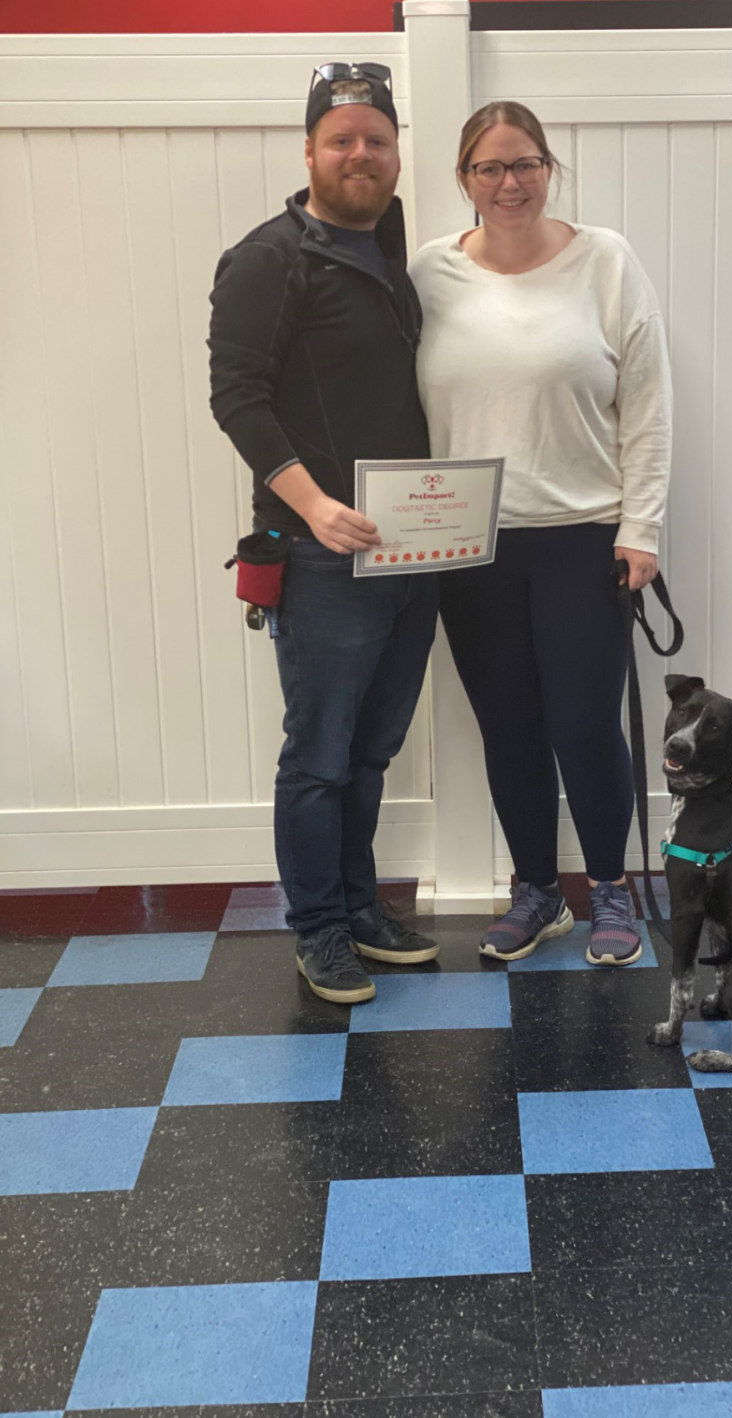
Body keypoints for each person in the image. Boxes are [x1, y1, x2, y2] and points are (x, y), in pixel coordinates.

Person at [409, 101, 672, 967]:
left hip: (582, 536)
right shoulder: (429, 274)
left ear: (548, 169)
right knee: (509, 726)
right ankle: (534, 892)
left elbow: (647, 404)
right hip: (466, 545)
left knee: (586, 725)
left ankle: (608, 892)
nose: (510, 182)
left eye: (525, 164)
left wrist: (643, 527)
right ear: (464, 181)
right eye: (490, 168)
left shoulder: (606, 260)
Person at [209, 61, 440, 1005]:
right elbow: (239, 399)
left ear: (395, 155)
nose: (360, 154)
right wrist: (310, 504)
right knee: (317, 753)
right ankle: (317, 929)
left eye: (376, 140)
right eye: (341, 138)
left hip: (409, 552)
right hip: (320, 555)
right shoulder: (269, 257)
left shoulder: (391, 252)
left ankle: (357, 905)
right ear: (309, 150)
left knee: (371, 750)